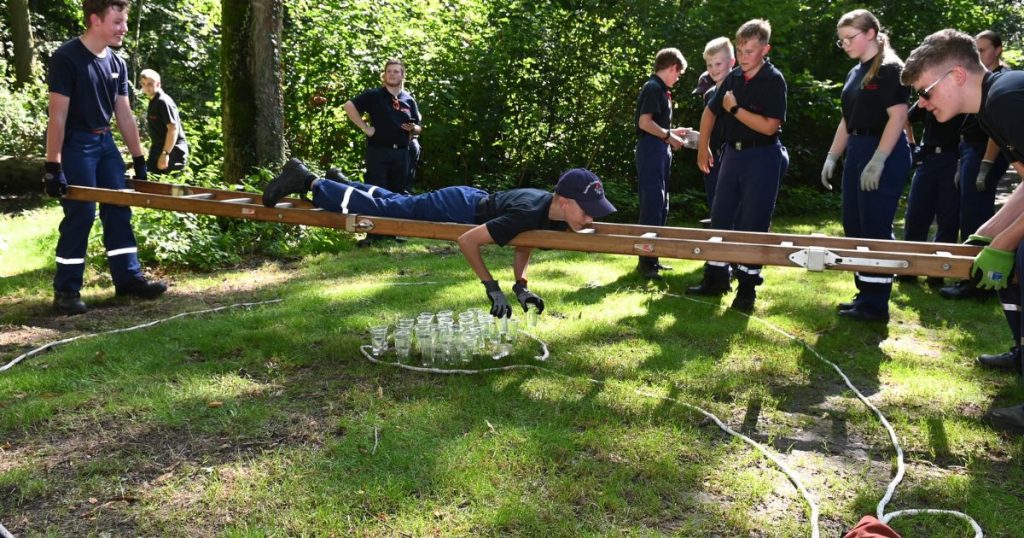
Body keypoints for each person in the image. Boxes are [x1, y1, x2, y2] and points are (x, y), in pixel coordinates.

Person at [262, 159, 616, 318]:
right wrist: (492, 287)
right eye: (587, 210)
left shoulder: (554, 215)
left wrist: (521, 286)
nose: (590, 217)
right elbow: (468, 241)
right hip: (458, 208)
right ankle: (309, 181)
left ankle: (342, 182)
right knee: (387, 215)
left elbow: (525, 241)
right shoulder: (531, 211)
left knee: (398, 204)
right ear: (566, 202)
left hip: (470, 199)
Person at [903, 28, 1024, 433]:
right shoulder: (989, 107)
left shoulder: (1006, 98)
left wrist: (1005, 245)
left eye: (925, 91)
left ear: (956, 76)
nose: (922, 104)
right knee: (1012, 265)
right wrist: (986, 236)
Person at [43, 0, 167, 315]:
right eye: (117, 21)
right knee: (81, 214)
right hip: (76, 146)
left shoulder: (117, 62)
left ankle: (128, 279)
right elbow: (57, 116)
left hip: (105, 143)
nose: (124, 28)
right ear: (95, 20)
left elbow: (123, 113)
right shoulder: (66, 58)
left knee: (119, 207)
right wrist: (53, 166)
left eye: (124, 21)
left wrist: (139, 160)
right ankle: (66, 291)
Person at [819, 9, 911, 322]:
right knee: (855, 226)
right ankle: (865, 293)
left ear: (871, 33)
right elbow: (848, 119)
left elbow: (898, 117)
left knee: (875, 226)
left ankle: (877, 303)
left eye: (851, 38)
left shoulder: (889, 68)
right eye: (841, 39)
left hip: (881, 149)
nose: (844, 44)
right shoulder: (855, 71)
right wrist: (833, 155)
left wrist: (879, 160)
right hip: (857, 150)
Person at [692, 19, 789, 313]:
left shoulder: (774, 80)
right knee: (720, 216)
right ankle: (716, 277)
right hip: (731, 156)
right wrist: (703, 146)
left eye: (750, 50)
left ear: (765, 49)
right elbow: (710, 113)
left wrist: (734, 109)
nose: (744, 55)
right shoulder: (733, 77)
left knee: (753, 223)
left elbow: (770, 127)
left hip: (762, 157)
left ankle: (747, 290)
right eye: (740, 49)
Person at [938, 30, 1011, 301]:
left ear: (998, 50)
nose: (978, 55)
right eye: (975, 50)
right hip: (969, 150)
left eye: (983, 50)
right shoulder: (975, 82)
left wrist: (986, 164)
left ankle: (977, 284)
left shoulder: (1000, 82)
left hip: (985, 152)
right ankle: (968, 276)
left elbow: (996, 131)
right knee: (966, 212)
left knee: (975, 215)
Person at [343, 59, 422, 246]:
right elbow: (349, 106)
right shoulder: (374, 95)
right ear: (384, 75)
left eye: (396, 71)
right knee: (375, 192)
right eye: (389, 71)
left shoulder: (408, 99)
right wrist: (365, 128)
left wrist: (414, 128)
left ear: (403, 75)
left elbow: (418, 127)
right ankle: (374, 235)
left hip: (402, 153)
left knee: (398, 194)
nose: (392, 74)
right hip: (378, 151)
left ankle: (394, 232)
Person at [633, 47, 690, 280]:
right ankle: (645, 262)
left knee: (662, 204)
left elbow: (656, 123)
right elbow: (644, 123)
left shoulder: (661, 90)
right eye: (678, 73)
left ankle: (653, 257)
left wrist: (673, 132)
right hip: (651, 150)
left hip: (660, 149)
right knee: (652, 204)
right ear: (671, 68)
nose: (678, 78)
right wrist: (668, 136)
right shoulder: (652, 88)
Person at [899, 105, 959, 287]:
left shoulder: (963, 100)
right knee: (916, 214)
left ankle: (937, 272)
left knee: (948, 218)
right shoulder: (929, 97)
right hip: (927, 159)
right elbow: (904, 119)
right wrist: (911, 145)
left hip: (953, 160)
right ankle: (909, 270)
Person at [139, 68, 188, 174]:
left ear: (158, 84)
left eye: (150, 84)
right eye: (144, 84)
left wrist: (165, 154)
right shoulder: (153, 101)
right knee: (146, 180)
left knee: (161, 187)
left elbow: (173, 129)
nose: (146, 88)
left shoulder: (163, 101)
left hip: (172, 152)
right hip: (158, 149)